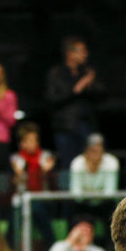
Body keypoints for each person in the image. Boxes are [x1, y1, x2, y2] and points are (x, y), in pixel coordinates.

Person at [46, 37, 106, 168]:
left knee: (89, 163)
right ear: (70, 54)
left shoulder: (87, 72)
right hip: (65, 126)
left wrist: (90, 85)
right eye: (81, 51)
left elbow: (102, 95)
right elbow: (52, 98)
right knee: (67, 164)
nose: (85, 55)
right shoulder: (57, 73)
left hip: (87, 125)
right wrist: (77, 89)